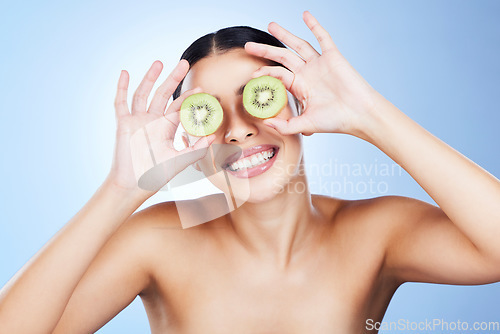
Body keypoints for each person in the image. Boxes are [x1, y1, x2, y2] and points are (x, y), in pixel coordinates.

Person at [1, 10, 499, 334]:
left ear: (302, 102)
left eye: (258, 100)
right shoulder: (159, 239)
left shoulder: (375, 233)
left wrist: (369, 115)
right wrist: (120, 190)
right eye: (209, 112)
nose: (238, 131)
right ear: (191, 135)